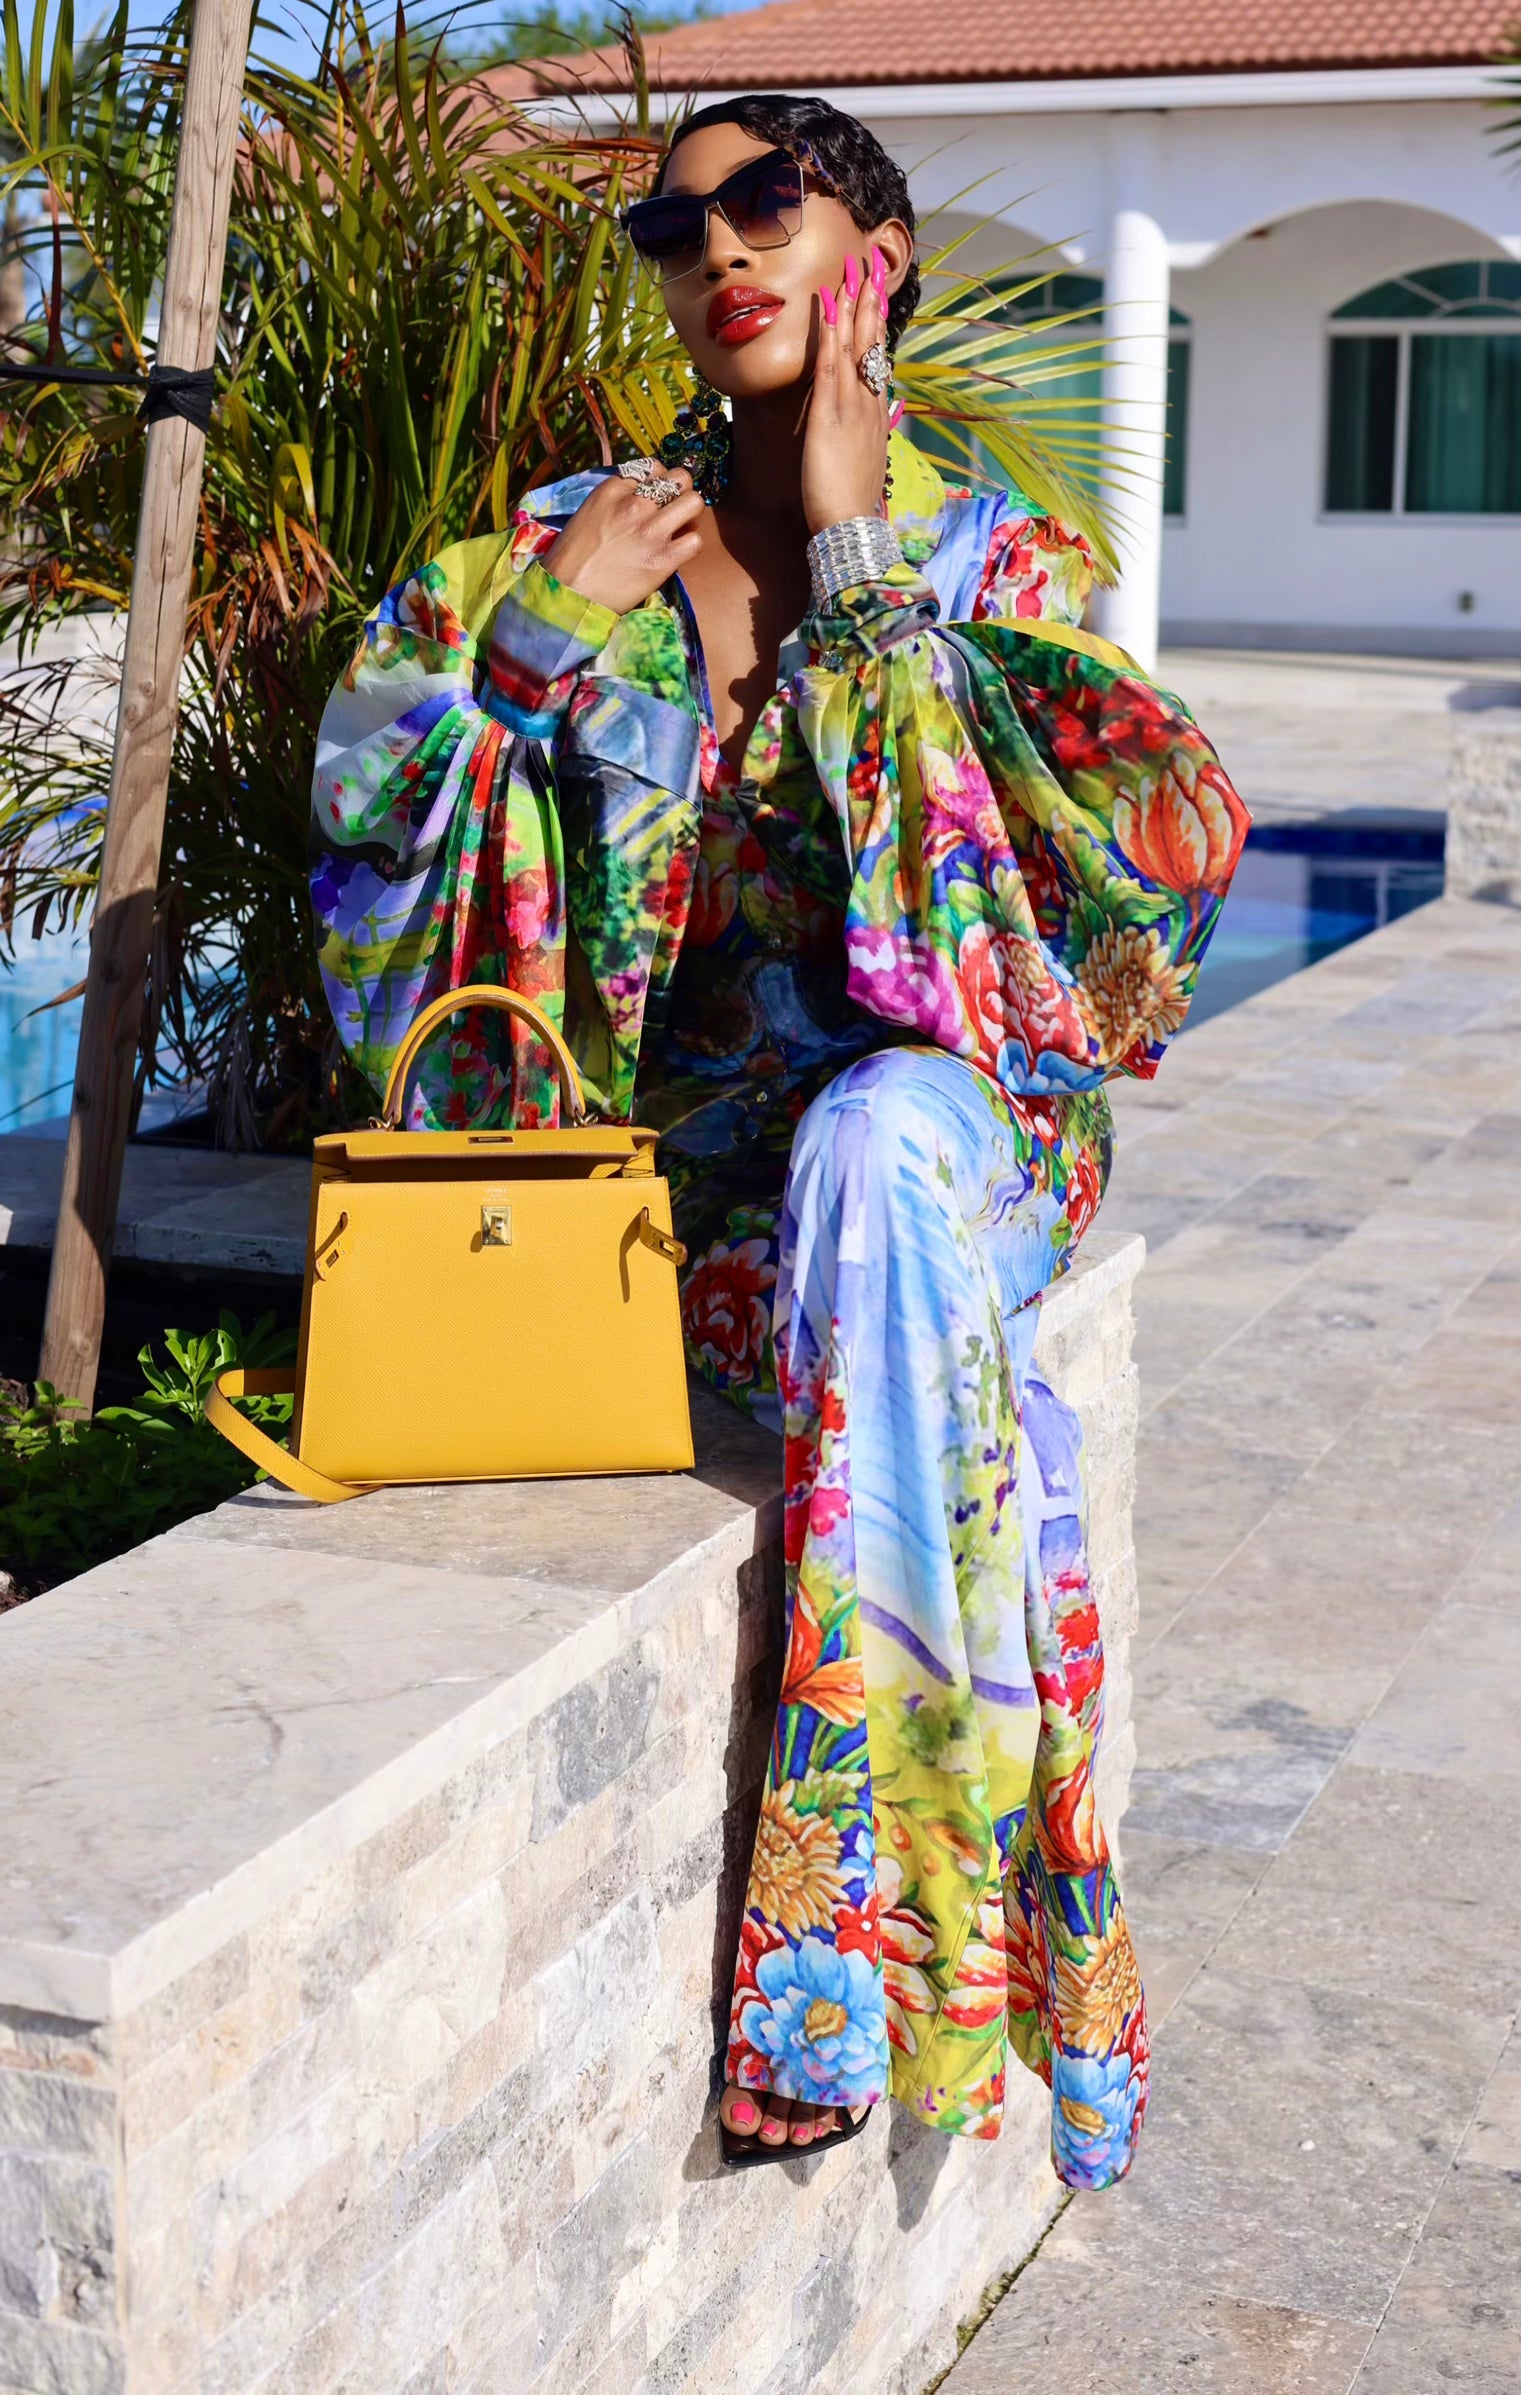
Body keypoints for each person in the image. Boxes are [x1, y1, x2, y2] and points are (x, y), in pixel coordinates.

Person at [311, 92, 1249, 2184]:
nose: (711, 249)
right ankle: (964, 1950)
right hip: (668, 1216)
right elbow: (373, 896)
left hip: (935, 1149)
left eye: (762, 204)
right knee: (864, 1221)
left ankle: (846, 1935)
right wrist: (538, 648)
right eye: (671, 223)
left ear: (872, 259)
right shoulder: (568, 539)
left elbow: (1078, 944)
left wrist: (852, 575)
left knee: (890, 1147)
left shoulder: (996, 561)